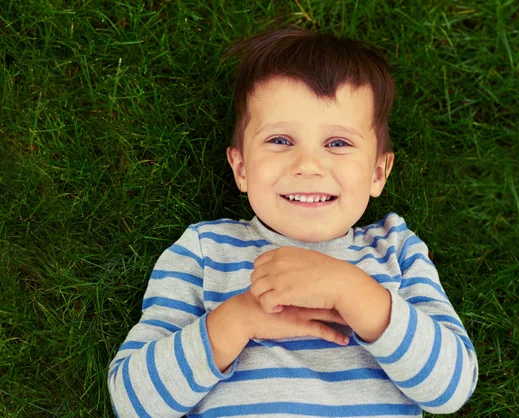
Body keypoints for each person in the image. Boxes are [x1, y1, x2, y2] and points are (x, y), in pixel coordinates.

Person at [107, 25, 478, 417]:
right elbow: (132, 403)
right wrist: (240, 318)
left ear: (377, 173)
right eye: (280, 140)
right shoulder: (205, 251)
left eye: (338, 143)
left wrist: (352, 290)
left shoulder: (395, 250)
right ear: (242, 167)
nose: (308, 166)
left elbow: (450, 390)